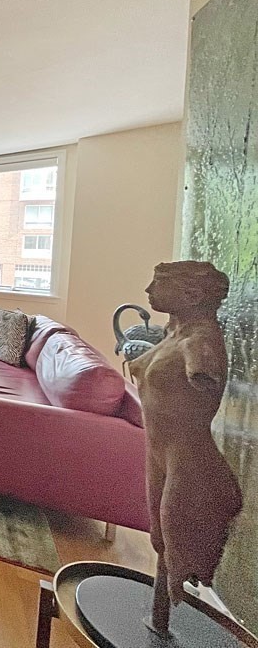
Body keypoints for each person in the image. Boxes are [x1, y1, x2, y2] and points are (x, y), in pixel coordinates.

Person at [128, 261, 242, 635]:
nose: (148, 289)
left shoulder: (201, 341)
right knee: (159, 540)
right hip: (159, 452)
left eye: (159, 283)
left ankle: (165, 622)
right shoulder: (174, 332)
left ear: (192, 294)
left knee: (178, 551)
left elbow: (212, 380)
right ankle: (158, 618)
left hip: (189, 461)